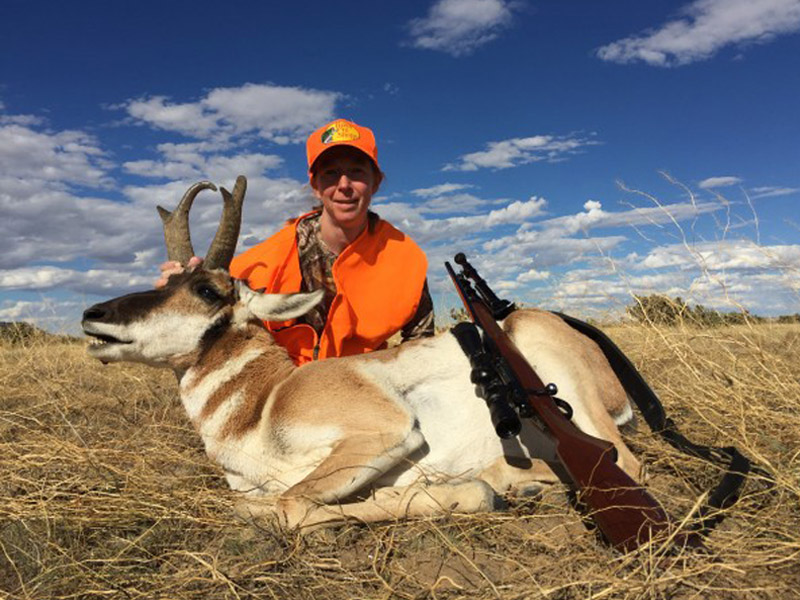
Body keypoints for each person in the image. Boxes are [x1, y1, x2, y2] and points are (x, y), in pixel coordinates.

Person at [157, 118, 434, 365]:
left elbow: (421, 345)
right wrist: (180, 288)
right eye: (331, 173)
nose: (344, 184)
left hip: (364, 389)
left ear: (375, 182)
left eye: (358, 171)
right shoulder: (268, 258)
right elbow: (208, 304)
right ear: (315, 186)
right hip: (286, 390)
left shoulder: (405, 259)